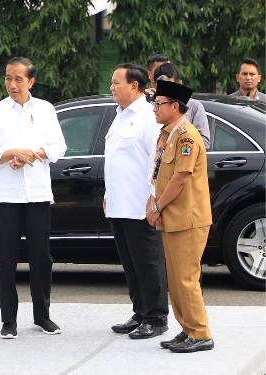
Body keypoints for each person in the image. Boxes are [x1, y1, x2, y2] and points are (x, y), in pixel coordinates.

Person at [0, 57, 66, 339]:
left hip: (38, 194)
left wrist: (32, 154)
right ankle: (8, 320)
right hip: (6, 195)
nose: (12, 84)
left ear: (31, 81)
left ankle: (42, 316)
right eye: (8, 78)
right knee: (6, 259)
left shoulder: (45, 109)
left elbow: (58, 147)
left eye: (18, 79)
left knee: (41, 257)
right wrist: (12, 154)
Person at [147, 79, 214, 353]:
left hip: (188, 218)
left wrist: (157, 207)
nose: (154, 108)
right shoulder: (167, 134)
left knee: (186, 278)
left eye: (159, 104)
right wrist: (154, 203)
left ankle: (200, 333)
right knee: (175, 281)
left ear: (175, 106)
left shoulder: (187, 136)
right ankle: (187, 329)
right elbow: (159, 174)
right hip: (172, 216)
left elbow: (180, 179)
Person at [104, 63, 169, 340]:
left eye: (116, 82)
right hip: (119, 203)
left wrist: (154, 199)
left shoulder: (147, 115)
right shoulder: (118, 114)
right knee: (130, 263)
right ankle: (140, 311)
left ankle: (156, 316)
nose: (112, 87)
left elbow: (158, 161)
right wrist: (109, 194)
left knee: (148, 262)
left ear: (134, 86)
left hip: (141, 204)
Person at [146, 56, 210, 149]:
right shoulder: (148, 106)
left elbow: (204, 143)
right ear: (154, 84)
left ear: (179, 84)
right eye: (162, 86)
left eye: (170, 85)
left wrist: (175, 145)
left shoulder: (193, 106)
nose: (167, 90)